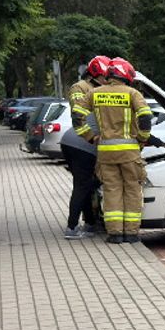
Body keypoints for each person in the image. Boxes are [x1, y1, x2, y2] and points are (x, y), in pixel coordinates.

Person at [89, 57, 153, 244]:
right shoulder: (132, 93)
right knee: (132, 190)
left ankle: (115, 234)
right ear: (126, 74)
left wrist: (89, 136)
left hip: (105, 153)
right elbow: (145, 117)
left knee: (111, 190)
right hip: (129, 153)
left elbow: (78, 114)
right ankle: (131, 234)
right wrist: (142, 137)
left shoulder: (95, 93)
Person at [63, 55, 112, 239]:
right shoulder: (80, 87)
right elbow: (79, 112)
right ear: (93, 75)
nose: (105, 81)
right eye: (102, 77)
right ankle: (72, 227)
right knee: (83, 185)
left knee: (88, 185)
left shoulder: (100, 88)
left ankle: (90, 224)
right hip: (81, 142)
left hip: (83, 142)